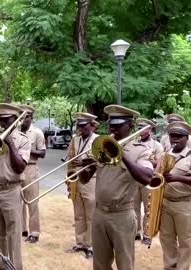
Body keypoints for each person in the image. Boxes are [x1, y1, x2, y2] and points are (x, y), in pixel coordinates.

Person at [82, 105, 153, 270]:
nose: (113, 129)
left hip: (122, 215)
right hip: (99, 213)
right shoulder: (101, 147)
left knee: (125, 264)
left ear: (131, 125)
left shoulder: (140, 151)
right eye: (111, 125)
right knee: (100, 265)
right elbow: (84, 180)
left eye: (118, 125)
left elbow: (147, 177)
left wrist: (121, 154)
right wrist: (86, 168)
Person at [0, 103, 31, 270]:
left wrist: (10, 144)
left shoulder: (23, 140)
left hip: (11, 190)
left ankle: (15, 267)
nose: (3, 124)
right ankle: (1, 267)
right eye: (1, 120)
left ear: (15, 120)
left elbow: (20, 167)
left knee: (13, 234)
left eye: (6, 120)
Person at [65, 112, 99, 259]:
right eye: (78, 125)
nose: (80, 128)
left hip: (91, 180)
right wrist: (69, 177)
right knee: (78, 214)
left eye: (83, 125)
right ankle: (80, 243)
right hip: (77, 178)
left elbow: (101, 162)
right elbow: (70, 159)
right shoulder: (75, 140)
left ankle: (91, 246)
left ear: (92, 125)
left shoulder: (98, 140)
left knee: (91, 215)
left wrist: (86, 163)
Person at [158, 121, 191, 270]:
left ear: (187, 138)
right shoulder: (165, 155)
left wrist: (179, 178)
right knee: (166, 238)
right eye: (172, 136)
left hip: (185, 204)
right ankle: (170, 267)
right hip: (165, 203)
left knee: (186, 241)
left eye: (179, 136)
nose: (175, 139)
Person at [18, 104, 46, 243]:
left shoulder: (37, 133)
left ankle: (34, 232)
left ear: (31, 117)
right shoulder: (15, 132)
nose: (22, 119)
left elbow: (43, 153)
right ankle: (22, 229)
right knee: (18, 201)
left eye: (25, 117)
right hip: (17, 168)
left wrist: (26, 150)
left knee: (32, 202)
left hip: (30, 168)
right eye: (20, 116)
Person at [134, 118, 164, 245]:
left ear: (150, 130)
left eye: (143, 128)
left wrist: (151, 162)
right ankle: (135, 232)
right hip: (135, 179)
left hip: (149, 180)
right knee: (133, 206)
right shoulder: (134, 143)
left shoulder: (157, 146)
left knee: (148, 208)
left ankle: (147, 234)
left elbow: (160, 164)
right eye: (139, 127)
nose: (140, 130)